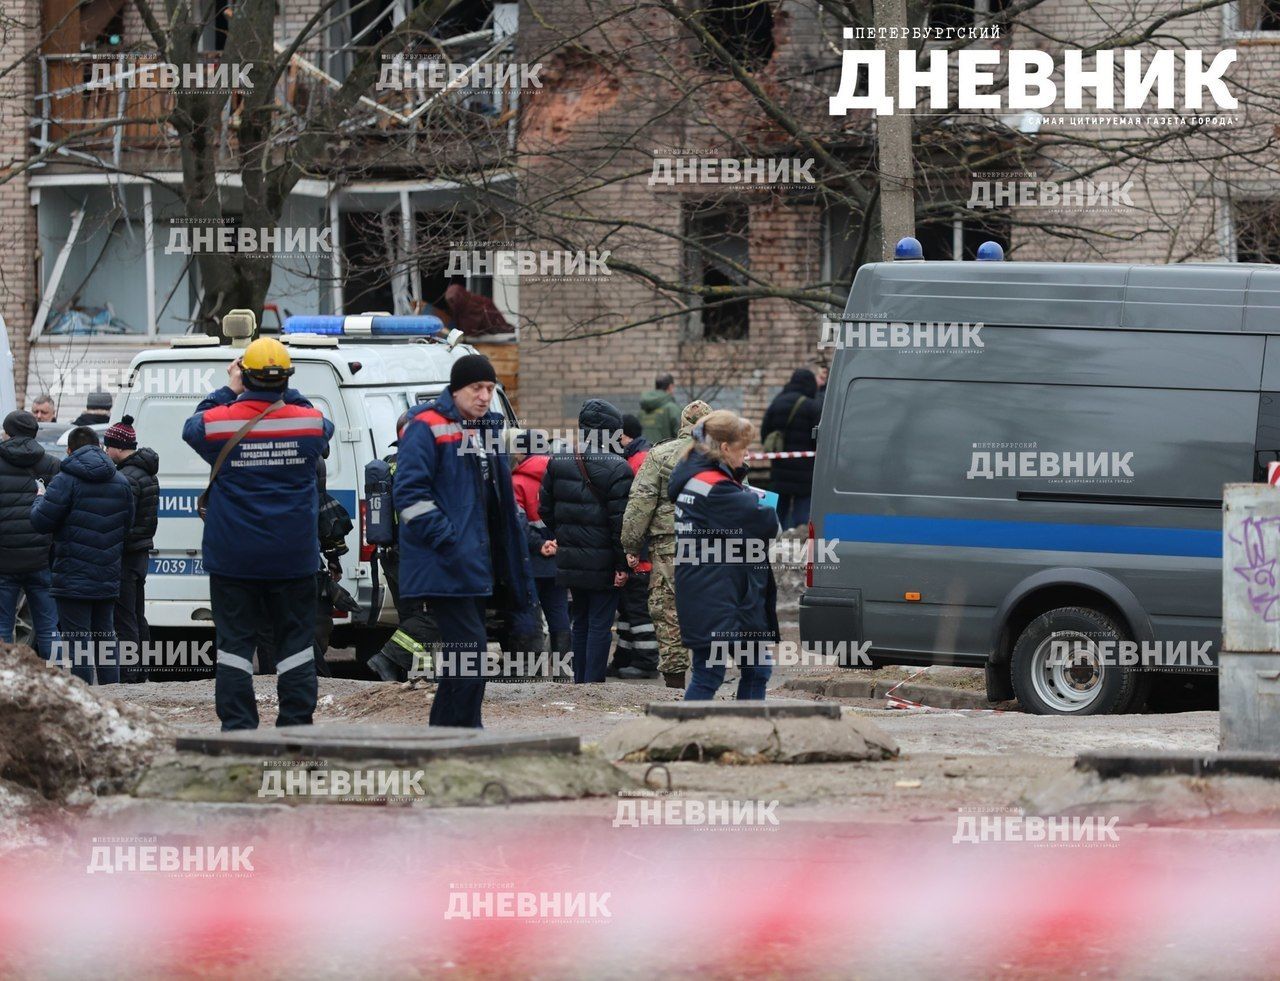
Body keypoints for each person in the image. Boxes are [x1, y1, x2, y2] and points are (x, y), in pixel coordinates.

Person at [183, 338, 333, 731]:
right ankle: (296, 728)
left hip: (234, 559)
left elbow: (192, 426)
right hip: (293, 558)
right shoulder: (309, 423)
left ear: (244, 375)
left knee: (234, 648)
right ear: (287, 380)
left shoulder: (221, 422)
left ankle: (238, 729)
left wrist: (230, 388)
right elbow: (319, 420)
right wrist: (281, 389)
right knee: (296, 647)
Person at [393, 354, 536, 726]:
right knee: (471, 656)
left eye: (490, 388)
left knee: (462, 659)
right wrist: (450, 540)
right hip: (447, 564)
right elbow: (409, 496)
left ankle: (443, 733)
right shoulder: (426, 426)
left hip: (476, 564)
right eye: (477, 388)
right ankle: (468, 732)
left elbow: (496, 500)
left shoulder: (487, 430)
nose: (485, 396)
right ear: (456, 389)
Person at [669, 410, 780, 702]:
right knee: (713, 673)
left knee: (752, 668)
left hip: (717, 593)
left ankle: (728, 734)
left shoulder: (697, 480)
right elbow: (766, 521)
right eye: (743, 449)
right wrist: (750, 496)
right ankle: (688, 736)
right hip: (720, 595)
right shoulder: (715, 487)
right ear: (725, 448)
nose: (746, 456)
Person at [30, 426, 133, 685]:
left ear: (69, 450)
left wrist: (38, 499)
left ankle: (86, 698)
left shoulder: (65, 480)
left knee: (78, 640)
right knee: (106, 636)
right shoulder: (120, 481)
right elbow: (127, 526)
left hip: (73, 575)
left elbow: (41, 521)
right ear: (99, 446)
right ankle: (114, 697)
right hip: (108, 573)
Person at [540, 399, 633, 683]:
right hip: (604, 559)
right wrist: (622, 564)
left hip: (570, 557)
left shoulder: (559, 460)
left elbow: (545, 509)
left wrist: (568, 536)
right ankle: (593, 684)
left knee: (579, 619)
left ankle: (579, 681)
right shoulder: (619, 468)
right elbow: (621, 524)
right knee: (600, 624)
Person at [621, 399, 711, 689]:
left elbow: (640, 503)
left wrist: (631, 546)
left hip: (669, 545)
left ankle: (675, 682)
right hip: (713, 546)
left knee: (668, 611)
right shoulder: (722, 455)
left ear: (682, 425)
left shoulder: (659, 454)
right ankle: (707, 675)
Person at [367, 411, 442, 682]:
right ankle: (386, 658)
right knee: (435, 615)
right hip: (413, 556)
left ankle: (419, 675)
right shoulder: (417, 466)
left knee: (411, 617)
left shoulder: (389, 464)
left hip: (391, 557)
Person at [508, 428, 572, 673]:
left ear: (523, 451)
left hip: (530, 560)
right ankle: (562, 672)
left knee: (529, 613)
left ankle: (530, 670)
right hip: (559, 558)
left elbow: (518, 524)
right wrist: (558, 543)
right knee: (559, 612)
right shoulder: (563, 477)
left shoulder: (516, 481)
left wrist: (539, 545)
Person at [0, 411, 60, 661]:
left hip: (4, 559)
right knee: (50, 627)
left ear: (8, 432)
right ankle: (60, 681)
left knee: (2, 627)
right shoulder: (51, 464)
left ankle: (4, 684)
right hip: (41, 558)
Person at [103, 416, 159, 684]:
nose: (105, 451)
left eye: (107, 445)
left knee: (124, 618)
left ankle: (130, 674)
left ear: (116, 446)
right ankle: (142, 669)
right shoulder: (146, 472)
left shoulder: (126, 477)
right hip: (141, 554)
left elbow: (123, 520)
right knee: (138, 615)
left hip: (126, 555)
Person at [609, 415, 657, 679]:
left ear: (624, 436)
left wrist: (632, 549)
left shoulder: (637, 462)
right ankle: (624, 657)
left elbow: (636, 512)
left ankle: (647, 661)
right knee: (628, 610)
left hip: (641, 554)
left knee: (638, 609)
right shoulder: (639, 458)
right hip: (640, 551)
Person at [761, 368, 822, 529]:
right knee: (802, 513)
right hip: (805, 471)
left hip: (780, 469)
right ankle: (798, 544)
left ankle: (774, 540)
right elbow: (819, 438)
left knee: (777, 510)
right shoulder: (812, 406)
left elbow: (765, 432)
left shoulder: (777, 402)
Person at [638, 373, 681, 445]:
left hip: (643, 453)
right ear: (670, 387)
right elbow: (681, 436)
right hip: (665, 454)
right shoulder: (672, 409)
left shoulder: (643, 409)